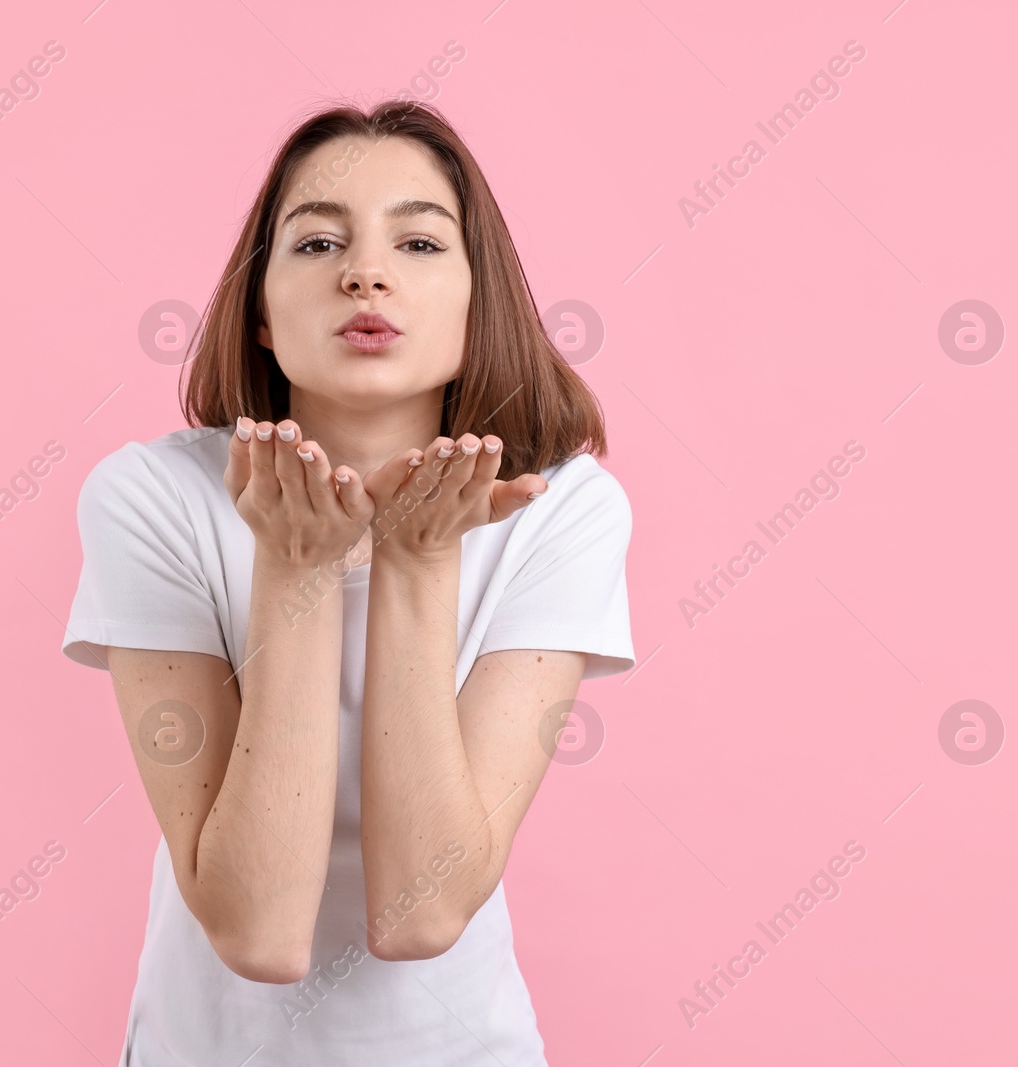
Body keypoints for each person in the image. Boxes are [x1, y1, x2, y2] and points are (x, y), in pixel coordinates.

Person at [61, 97, 635, 1066]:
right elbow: (257, 931)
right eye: (318, 241)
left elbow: (422, 909)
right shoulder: (152, 494)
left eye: (417, 243)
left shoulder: (560, 506)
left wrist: (417, 562)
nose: (364, 271)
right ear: (257, 312)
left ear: (473, 296)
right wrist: (300, 566)